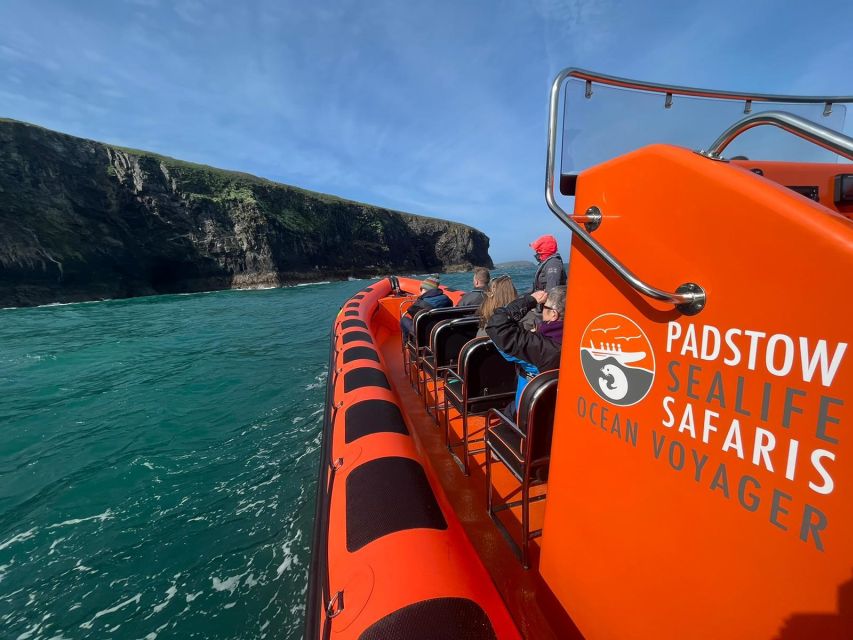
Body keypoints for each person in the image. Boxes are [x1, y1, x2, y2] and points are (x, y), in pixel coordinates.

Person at [486, 286, 565, 416]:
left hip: (531, 415)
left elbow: (497, 326)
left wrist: (530, 300)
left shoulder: (543, 348)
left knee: (507, 414)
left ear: (553, 314)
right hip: (555, 412)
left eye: (544, 307)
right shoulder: (581, 343)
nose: (541, 310)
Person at [524, 234, 567, 329]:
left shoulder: (553, 264)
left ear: (543, 251)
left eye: (538, 250)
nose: (536, 253)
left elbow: (552, 290)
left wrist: (545, 311)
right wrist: (525, 297)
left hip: (550, 309)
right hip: (543, 307)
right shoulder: (548, 263)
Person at [400, 275, 453, 342]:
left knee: (403, 320)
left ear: (424, 289)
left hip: (425, 333)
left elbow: (410, 310)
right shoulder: (447, 299)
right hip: (441, 331)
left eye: (421, 289)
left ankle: (406, 342)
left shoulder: (421, 302)